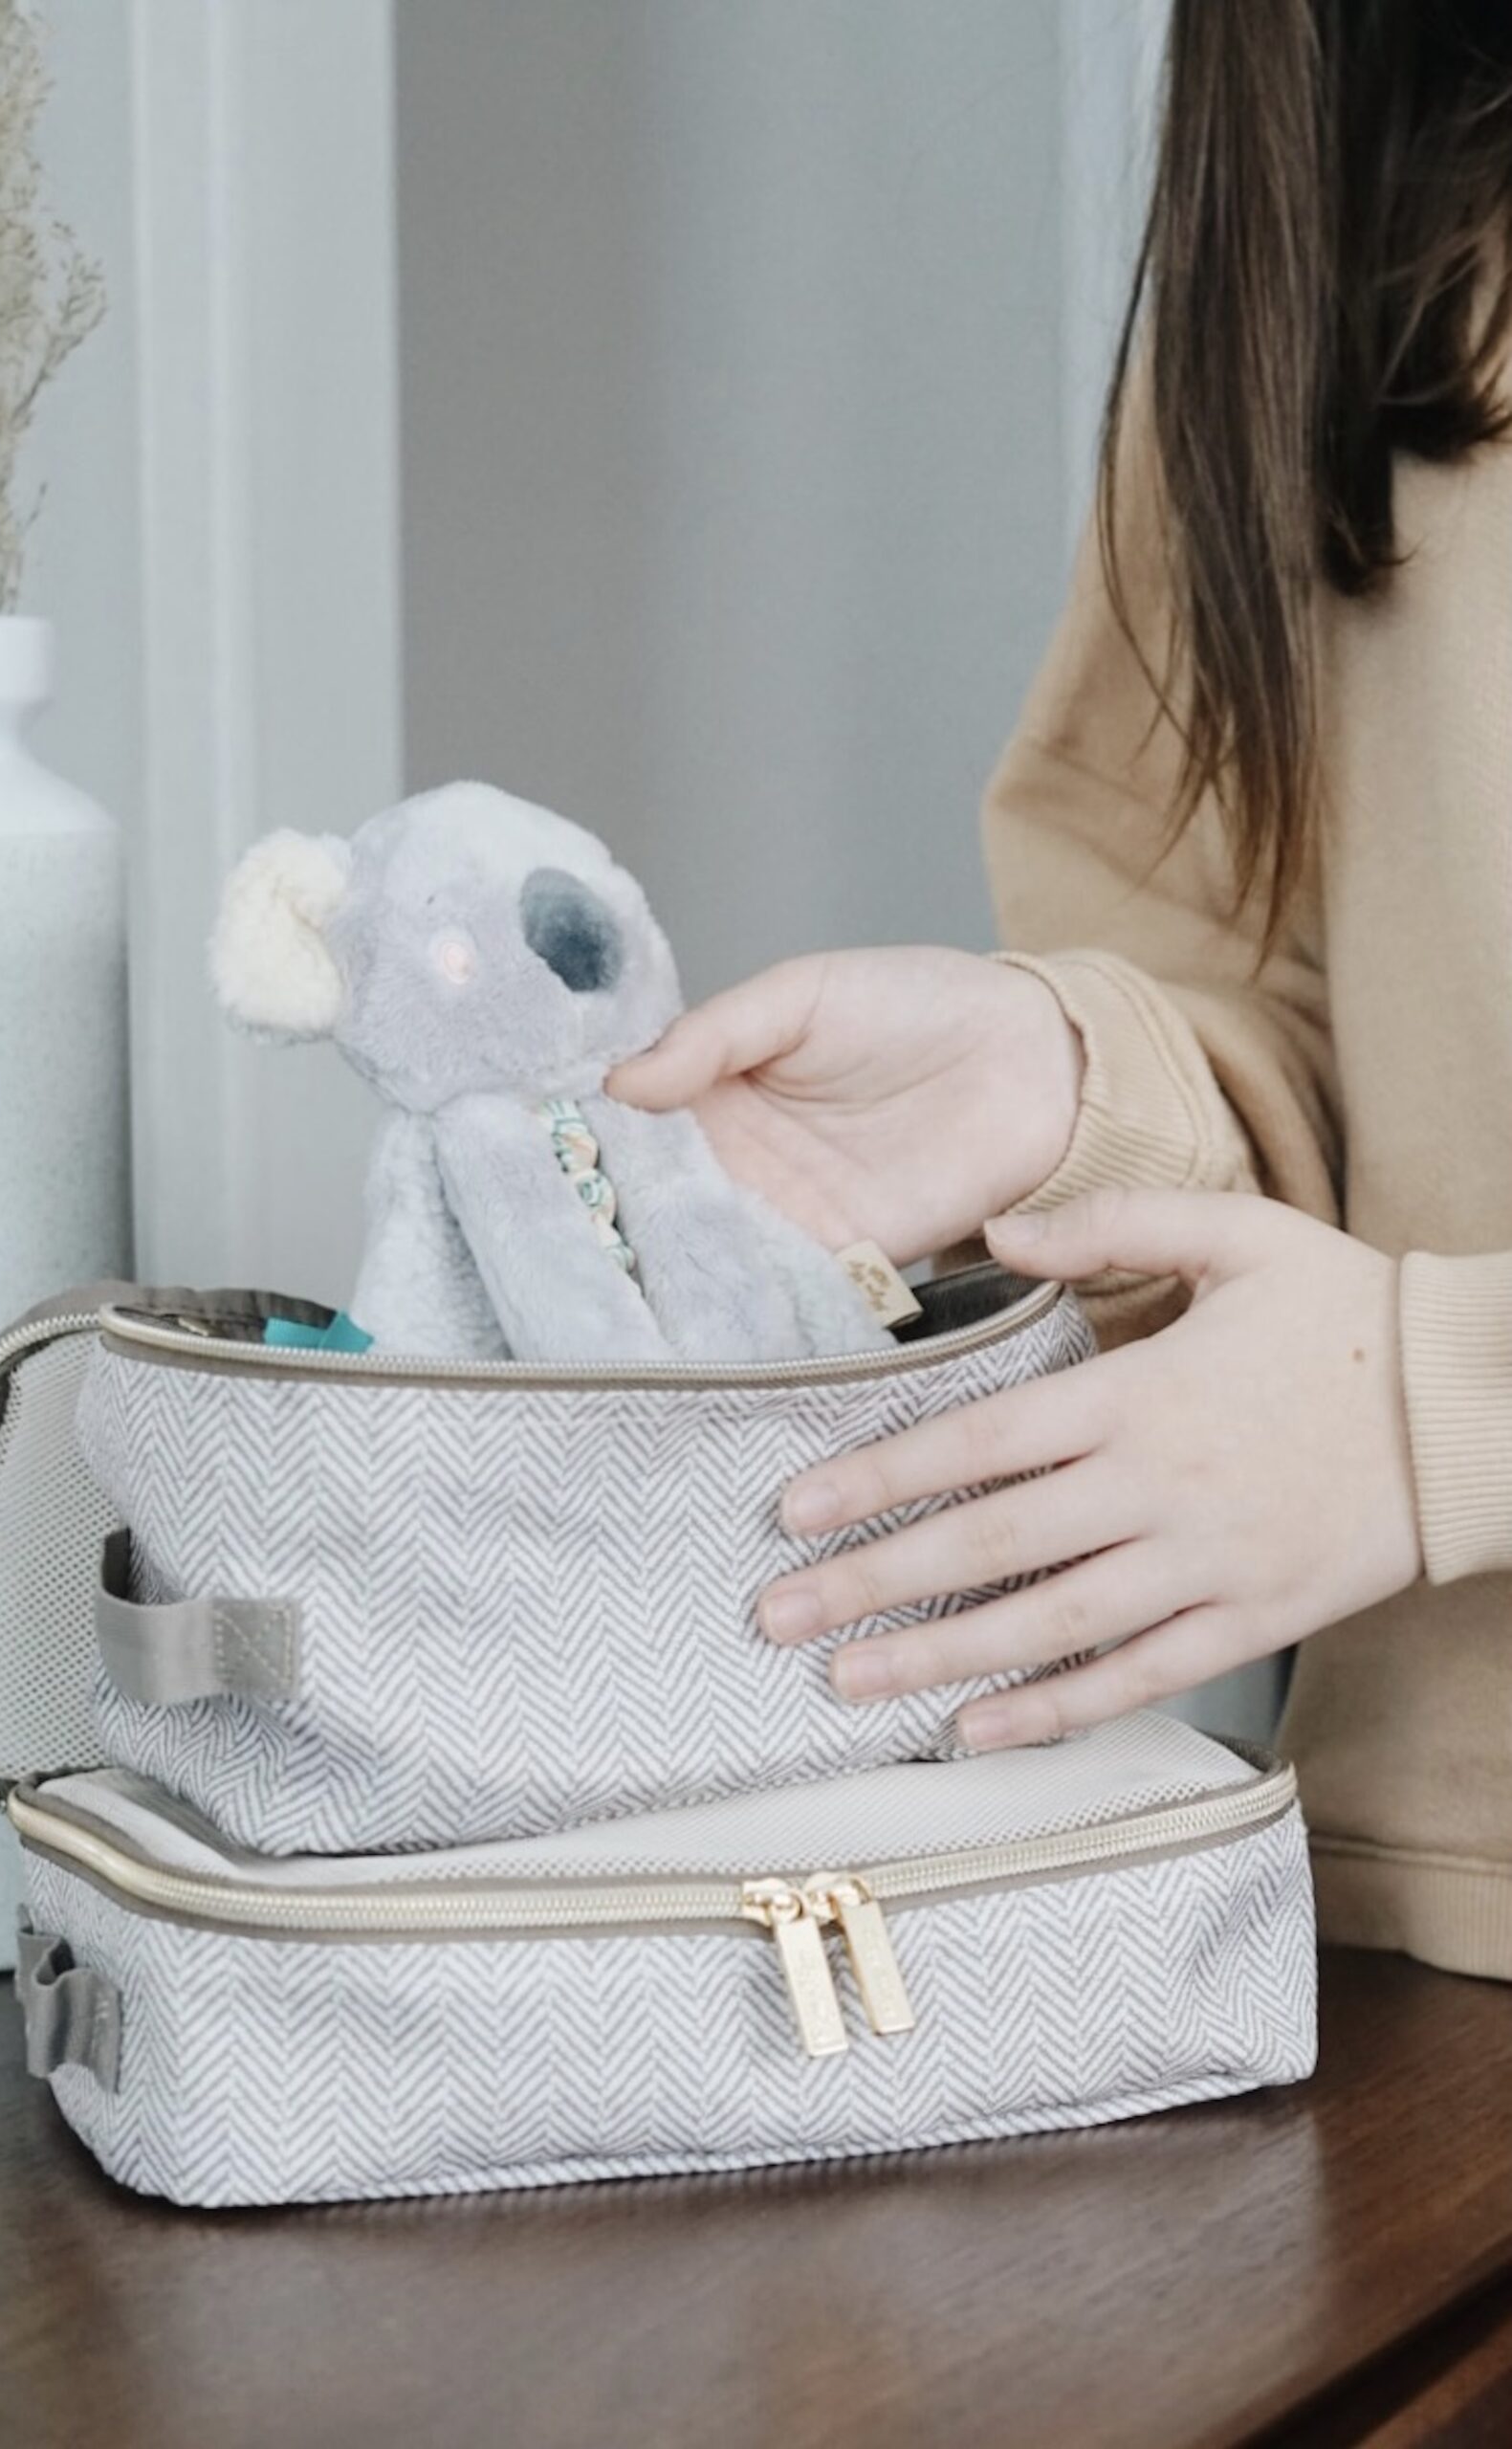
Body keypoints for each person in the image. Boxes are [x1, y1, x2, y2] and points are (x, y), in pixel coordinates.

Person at [612, 0, 1512, 1981]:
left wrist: (1439, 1411)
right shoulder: (1344, 167)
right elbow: (1285, 979)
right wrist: (1078, 1080)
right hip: (1414, 1934)